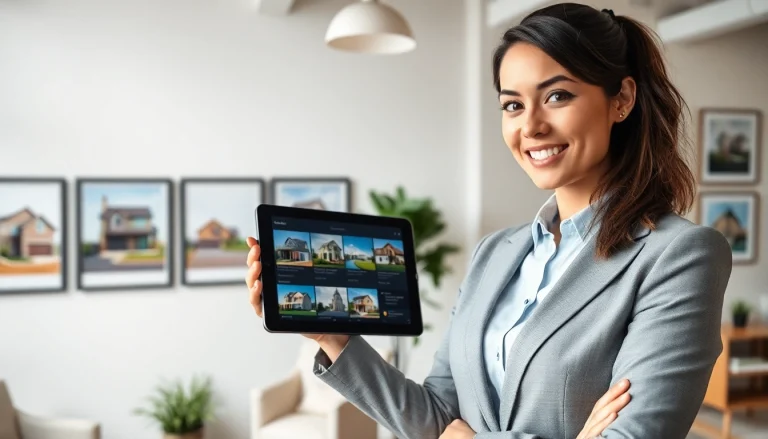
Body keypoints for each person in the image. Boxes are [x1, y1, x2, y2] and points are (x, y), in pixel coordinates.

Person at [245, 3, 733, 438]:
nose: (530, 126)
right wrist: (333, 339)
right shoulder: (494, 253)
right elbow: (437, 415)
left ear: (621, 99)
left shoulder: (680, 256)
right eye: (513, 105)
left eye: (557, 96)